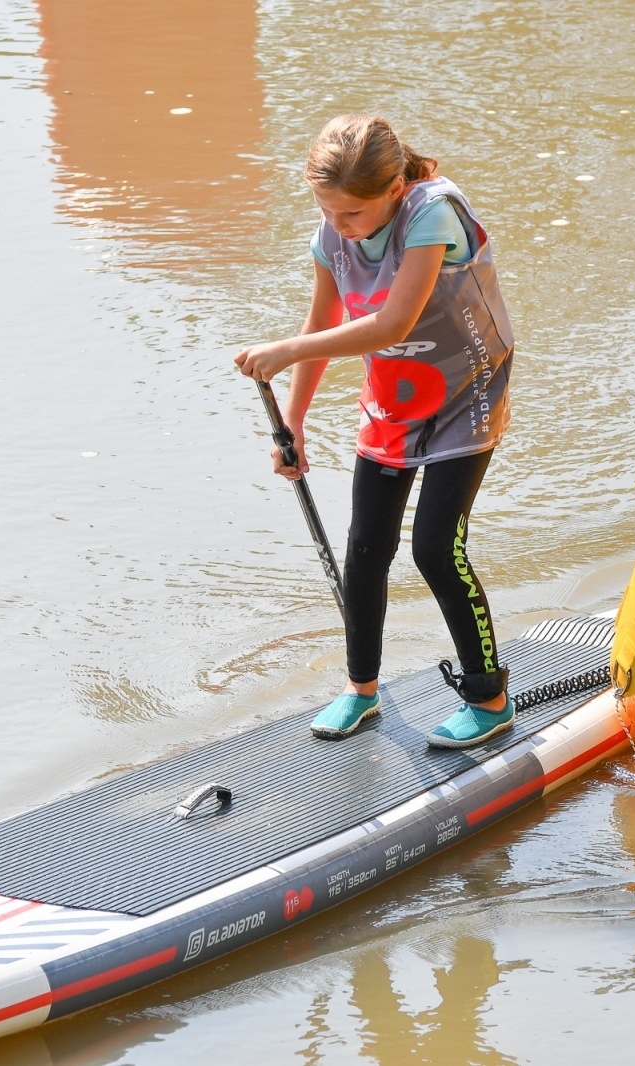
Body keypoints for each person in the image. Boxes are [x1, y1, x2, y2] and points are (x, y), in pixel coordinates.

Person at [234, 114, 516, 749]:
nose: (340, 226)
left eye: (353, 214)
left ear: (393, 188)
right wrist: (294, 422)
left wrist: (286, 347)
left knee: (436, 549)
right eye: (328, 211)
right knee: (366, 547)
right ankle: (362, 689)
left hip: (465, 392)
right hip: (394, 399)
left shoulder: (431, 215)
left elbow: (391, 324)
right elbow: (322, 321)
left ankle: (489, 698)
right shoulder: (334, 233)